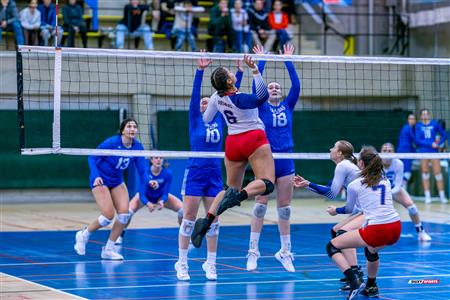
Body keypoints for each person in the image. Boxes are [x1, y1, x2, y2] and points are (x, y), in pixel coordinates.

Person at [190, 54, 274, 249]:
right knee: (267, 184)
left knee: (228, 189)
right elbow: (262, 97)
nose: (232, 72)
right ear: (229, 80)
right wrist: (254, 70)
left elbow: (207, 119)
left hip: (232, 143)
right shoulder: (241, 99)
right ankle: (240, 196)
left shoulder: (216, 97)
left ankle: (206, 222)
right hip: (253, 138)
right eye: (230, 73)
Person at [175, 53, 243, 281]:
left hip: (214, 174)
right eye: (203, 102)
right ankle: (182, 263)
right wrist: (200, 71)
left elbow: (230, 96)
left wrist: (239, 72)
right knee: (189, 218)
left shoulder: (219, 119)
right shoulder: (196, 119)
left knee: (214, 220)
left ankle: (210, 264)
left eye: (208, 101)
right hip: (195, 173)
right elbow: (195, 96)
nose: (205, 102)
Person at [245, 44, 299, 273]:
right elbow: (255, 87)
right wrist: (261, 61)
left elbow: (296, 85)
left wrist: (288, 60)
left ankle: (285, 252)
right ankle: (253, 251)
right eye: (271, 87)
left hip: (286, 158)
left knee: (285, 208)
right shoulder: (261, 107)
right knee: (260, 206)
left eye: (277, 87)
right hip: (266, 159)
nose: (274, 88)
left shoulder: (288, 105)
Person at [325, 146, 401, 299]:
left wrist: (335, 210)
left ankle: (354, 280)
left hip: (378, 229)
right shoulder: (384, 179)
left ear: (360, 163)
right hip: (396, 226)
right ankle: (371, 286)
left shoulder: (355, 185)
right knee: (371, 250)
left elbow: (348, 209)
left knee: (332, 246)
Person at [74, 118, 150, 260]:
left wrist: (149, 181)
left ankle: (108, 249)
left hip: (116, 181)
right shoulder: (112, 142)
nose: (132, 129)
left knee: (124, 215)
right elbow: (92, 157)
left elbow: (142, 169)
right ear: (122, 130)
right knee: (108, 217)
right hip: (100, 179)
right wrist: (96, 175)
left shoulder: (137, 147)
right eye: (129, 126)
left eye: (134, 127)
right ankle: (84, 235)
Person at [293, 140, 364, 290]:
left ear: (339, 153)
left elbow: (331, 194)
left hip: (366, 210)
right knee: (336, 231)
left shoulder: (342, 165)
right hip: (359, 209)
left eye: (333, 147)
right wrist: (308, 184)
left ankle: (355, 274)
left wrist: (309, 185)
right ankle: (354, 270)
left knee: (341, 234)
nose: (330, 149)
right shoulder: (345, 165)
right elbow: (330, 190)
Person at [116, 156, 183, 244]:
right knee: (127, 213)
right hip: (144, 197)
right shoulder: (145, 172)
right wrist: (148, 203)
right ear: (151, 160)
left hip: (159, 197)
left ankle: (184, 234)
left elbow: (165, 193)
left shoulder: (167, 173)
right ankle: (120, 235)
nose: (158, 160)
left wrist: (162, 200)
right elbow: (141, 193)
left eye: (161, 158)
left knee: (183, 211)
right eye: (156, 158)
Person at [380, 143, 431, 241]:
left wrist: (389, 193)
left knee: (412, 208)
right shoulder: (375, 163)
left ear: (394, 153)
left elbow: (399, 185)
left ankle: (421, 232)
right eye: (384, 151)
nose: (387, 153)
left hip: (394, 189)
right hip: (378, 191)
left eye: (390, 151)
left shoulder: (398, 163)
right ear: (381, 152)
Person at [415, 108, 448, 204]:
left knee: (438, 174)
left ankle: (442, 197)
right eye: (423, 114)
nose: (425, 116)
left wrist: (439, 144)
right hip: (423, 152)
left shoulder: (434, 124)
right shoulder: (418, 125)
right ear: (421, 116)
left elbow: (444, 135)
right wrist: (430, 143)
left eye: (426, 114)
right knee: (425, 174)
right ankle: (427, 196)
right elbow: (417, 140)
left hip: (434, 152)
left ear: (429, 115)